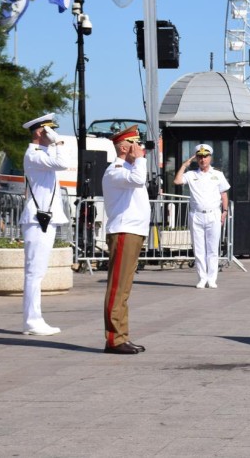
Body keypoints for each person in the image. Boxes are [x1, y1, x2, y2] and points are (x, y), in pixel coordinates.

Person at [101, 125, 149, 354]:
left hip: (133, 232)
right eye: (135, 143)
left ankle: (121, 335)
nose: (139, 147)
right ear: (123, 147)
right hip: (123, 232)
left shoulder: (127, 170)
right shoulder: (116, 170)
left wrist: (137, 159)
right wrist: (140, 159)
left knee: (125, 288)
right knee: (118, 288)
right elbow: (139, 179)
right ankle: (114, 338)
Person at [19, 113, 69, 336]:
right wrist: (57, 141)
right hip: (37, 218)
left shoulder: (43, 154)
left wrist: (55, 143)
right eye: (49, 130)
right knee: (34, 272)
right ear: (41, 132)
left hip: (45, 216)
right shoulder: (34, 154)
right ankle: (32, 321)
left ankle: (35, 319)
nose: (53, 133)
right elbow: (63, 163)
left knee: (38, 271)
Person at [173, 144, 230, 289]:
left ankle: (212, 278)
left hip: (213, 214)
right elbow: (177, 181)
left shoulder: (217, 174)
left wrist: (224, 211)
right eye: (199, 157)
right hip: (196, 215)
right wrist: (184, 165)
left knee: (212, 249)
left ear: (210, 158)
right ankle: (201, 278)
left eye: (205, 156)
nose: (202, 160)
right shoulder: (192, 175)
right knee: (198, 249)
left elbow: (224, 194)